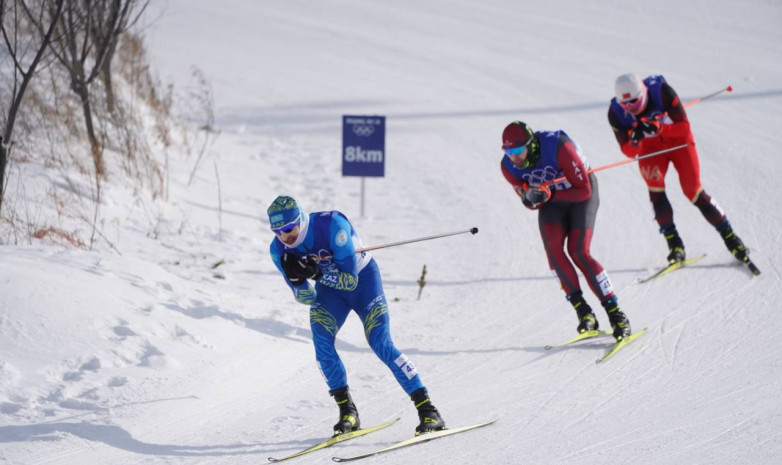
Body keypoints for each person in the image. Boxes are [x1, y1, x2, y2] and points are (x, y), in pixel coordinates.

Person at [267, 195, 445, 436]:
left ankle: (428, 410)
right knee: (321, 342)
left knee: (379, 342)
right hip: (330, 293)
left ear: (300, 219)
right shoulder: (277, 250)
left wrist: (316, 274)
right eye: (277, 232)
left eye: (289, 228)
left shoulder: (332, 225)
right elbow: (305, 298)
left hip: (363, 281)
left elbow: (350, 281)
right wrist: (299, 281)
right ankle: (347, 412)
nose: (285, 237)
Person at [499, 121, 632, 341]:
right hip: (553, 203)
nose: (514, 157)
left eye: (517, 151)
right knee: (554, 252)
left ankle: (616, 314)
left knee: (579, 251)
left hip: (580, 196)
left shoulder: (559, 147)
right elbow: (527, 201)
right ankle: (583, 312)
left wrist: (548, 194)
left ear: (531, 145)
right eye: (508, 152)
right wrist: (531, 196)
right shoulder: (508, 167)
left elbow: (584, 191)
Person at [608, 73, 750, 266]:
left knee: (693, 190)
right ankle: (675, 245)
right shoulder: (615, 112)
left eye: (635, 101)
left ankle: (731, 238)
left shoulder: (662, 92)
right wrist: (635, 139)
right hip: (650, 149)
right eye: (626, 104)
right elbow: (628, 151)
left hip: (679, 142)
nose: (631, 107)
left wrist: (660, 129)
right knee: (655, 189)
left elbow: (684, 127)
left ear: (643, 92)